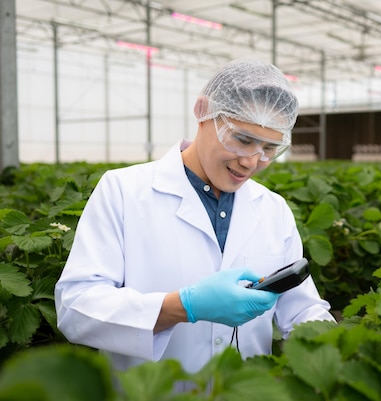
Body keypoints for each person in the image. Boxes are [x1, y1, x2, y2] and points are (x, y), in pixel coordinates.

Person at [54, 59, 335, 389]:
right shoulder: (123, 191)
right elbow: (76, 309)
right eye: (242, 139)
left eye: (269, 148)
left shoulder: (274, 210)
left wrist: (338, 350)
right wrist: (181, 307)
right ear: (203, 111)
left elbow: (301, 310)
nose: (251, 162)